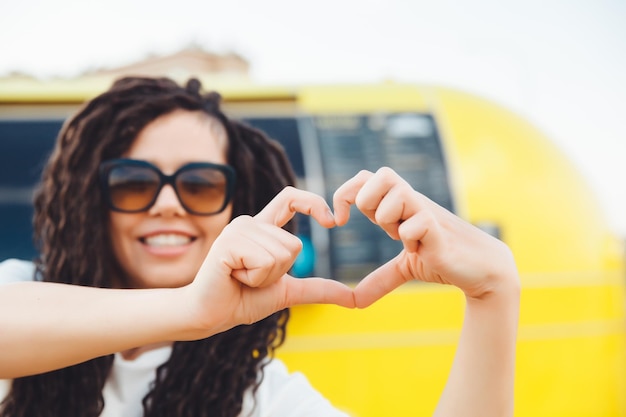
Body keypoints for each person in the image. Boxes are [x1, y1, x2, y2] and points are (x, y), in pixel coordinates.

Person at [0, 76, 520, 417]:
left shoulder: (256, 393)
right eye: (133, 182)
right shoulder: (27, 296)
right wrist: (191, 309)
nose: (166, 204)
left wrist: (493, 296)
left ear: (237, 206)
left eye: (200, 184)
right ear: (96, 203)